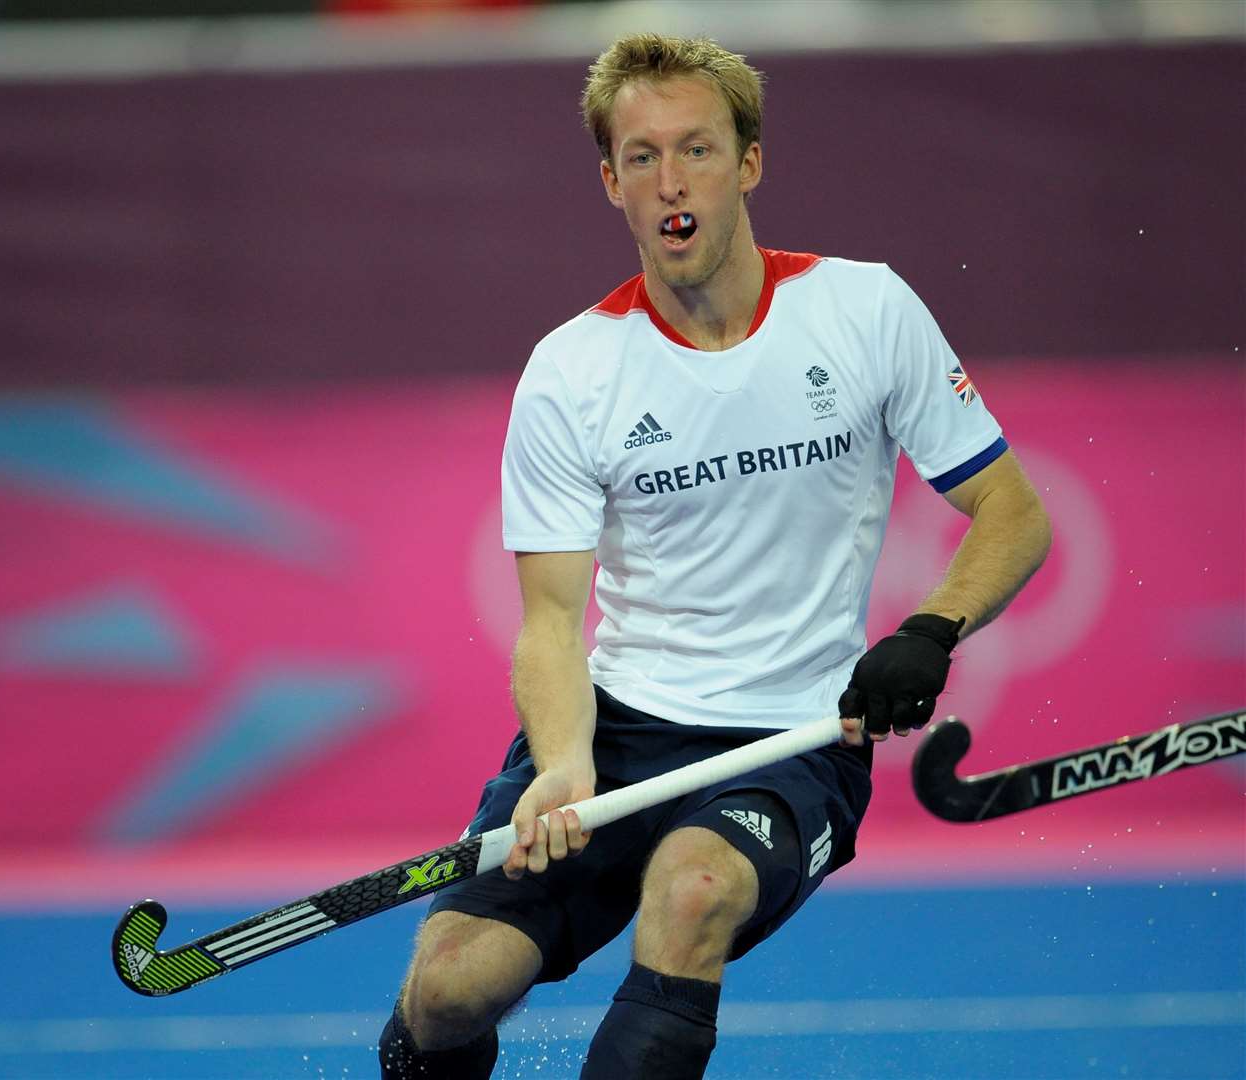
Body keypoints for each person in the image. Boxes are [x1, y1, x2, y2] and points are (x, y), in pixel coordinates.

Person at [378, 32, 1052, 1080]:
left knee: (690, 894)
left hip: (794, 739)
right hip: (620, 737)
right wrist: (561, 762)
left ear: (748, 162)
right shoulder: (572, 370)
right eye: (639, 157)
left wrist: (931, 628)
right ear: (610, 181)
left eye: (694, 148)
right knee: (447, 990)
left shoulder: (863, 310)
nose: (669, 179)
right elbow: (552, 622)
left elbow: (1011, 512)